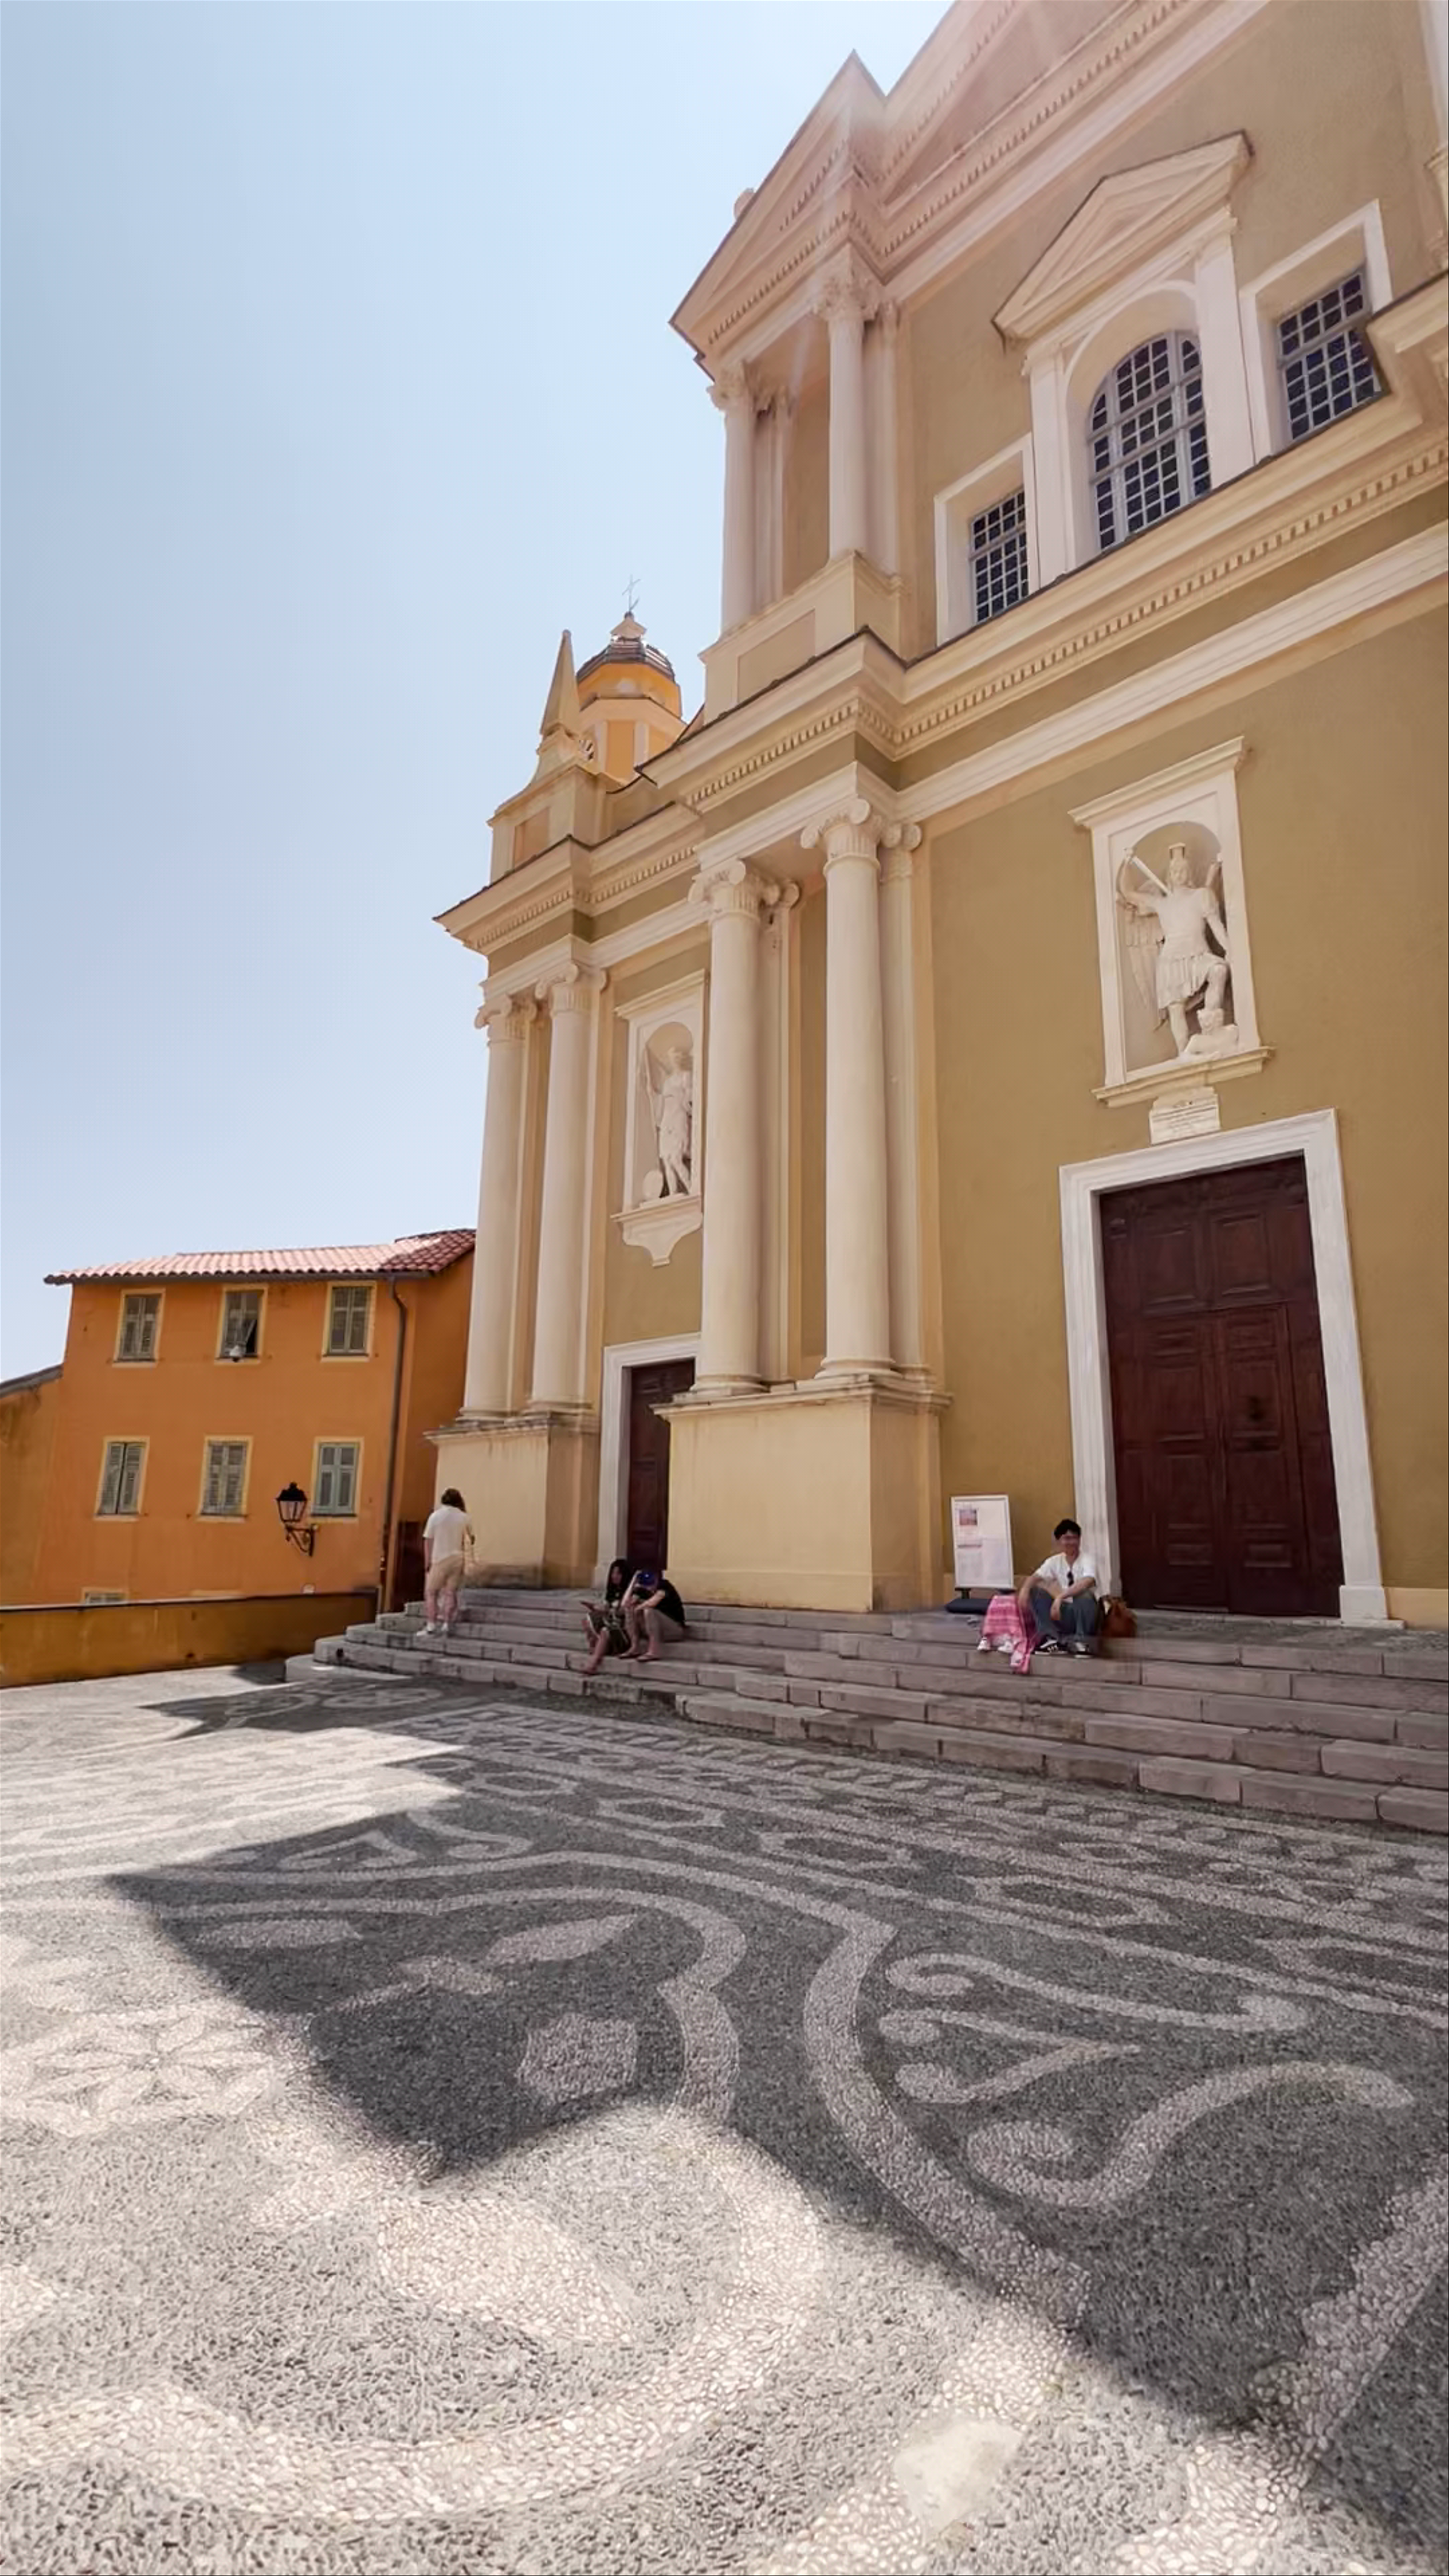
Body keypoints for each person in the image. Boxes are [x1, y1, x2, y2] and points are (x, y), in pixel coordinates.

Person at [1019, 1518, 1100, 1655]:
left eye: (1075, 1538)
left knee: (1083, 1595)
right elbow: (1035, 1577)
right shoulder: (1055, 1561)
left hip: (1087, 1614)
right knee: (1036, 1592)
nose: (1071, 1542)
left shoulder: (1088, 1559)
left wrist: (1060, 1597)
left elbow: (1088, 1581)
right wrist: (1025, 1590)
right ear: (1059, 1541)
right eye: (1067, 1538)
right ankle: (1051, 1639)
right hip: (1065, 1614)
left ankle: (1082, 1642)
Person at [420, 1487, 473, 1638]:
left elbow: (428, 1540)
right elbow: (472, 1538)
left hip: (439, 1558)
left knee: (431, 1593)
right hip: (458, 1558)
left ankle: (431, 1625)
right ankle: (447, 1624)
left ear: (443, 1500)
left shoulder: (435, 1517)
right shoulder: (465, 1517)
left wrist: (427, 1562)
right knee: (451, 1593)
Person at [580, 1559, 635, 1676]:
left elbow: (622, 1611)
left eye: (618, 1574)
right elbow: (607, 1609)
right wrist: (596, 1608)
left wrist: (608, 1610)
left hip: (626, 1631)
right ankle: (595, 1647)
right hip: (613, 1625)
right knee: (588, 1619)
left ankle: (593, 1663)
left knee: (606, 1631)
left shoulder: (632, 1593)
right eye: (613, 1573)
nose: (614, 1577)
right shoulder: (612, 1592)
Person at [625, 1567, 687, 1663]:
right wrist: (633, 1581)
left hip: (674, 1629)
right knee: (630, 1609)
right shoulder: (642, 1589)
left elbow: (653, 1603)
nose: (649, 1586)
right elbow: (626, 1604)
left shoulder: (665, 1586)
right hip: (653, 1629)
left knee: (649, 1611)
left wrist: (639, 1608)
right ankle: (635, 1647)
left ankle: (654, 1651)